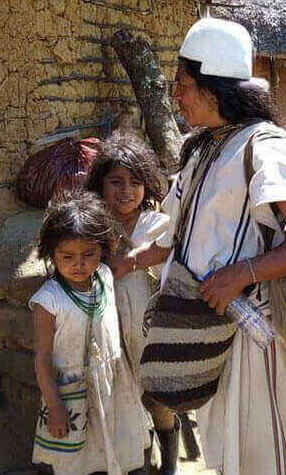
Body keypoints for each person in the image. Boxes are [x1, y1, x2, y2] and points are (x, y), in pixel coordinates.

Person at [111, 18, 286, 475]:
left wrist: (240, 274)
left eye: (183, 85)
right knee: (227, 448)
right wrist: (129, 260)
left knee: (261, 452)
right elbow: (178, 235)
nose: (176, 96)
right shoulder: (202, 148)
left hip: (252, 332)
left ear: (212, 89)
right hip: (206, 328)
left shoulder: (264, 146)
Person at [31, 189, 151, 475]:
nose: (79, 264)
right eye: (68, 256)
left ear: (102, 249)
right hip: (70, 393)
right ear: (52, 253)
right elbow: (43, 359)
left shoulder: (105, 277)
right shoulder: (48, 300)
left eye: (88, 254)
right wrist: (55, 406)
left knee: (117, 451)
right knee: (75, 461)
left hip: (113, 385)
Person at [86, 132, 179, 472]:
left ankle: (169, 457)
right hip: (109, 330)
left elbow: (171, 259)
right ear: (101, 185)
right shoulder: (93, 226)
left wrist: (134, 260)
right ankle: (138, 458)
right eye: (116, 182)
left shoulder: (157, 225)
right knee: (122, 397)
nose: (126, 191)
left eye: (135, 182)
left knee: (157, 398)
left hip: (148, 331)